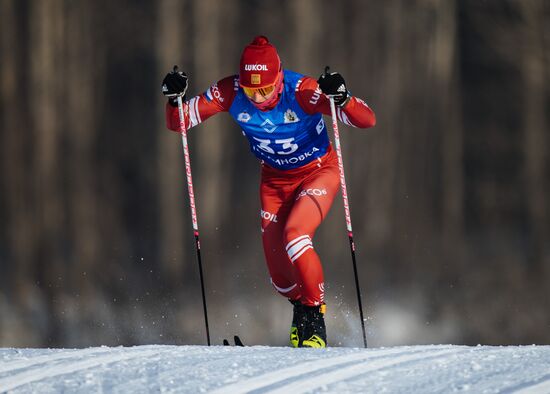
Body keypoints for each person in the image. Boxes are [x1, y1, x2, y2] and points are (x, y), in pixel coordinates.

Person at [162, 35, 376, 348]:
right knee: (281, 280)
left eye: (265, 88)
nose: (259, 97)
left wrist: (341, 98)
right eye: (251, 90)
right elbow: (179, 122)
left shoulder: (301, 90)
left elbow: (366, 120)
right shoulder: (229, 91)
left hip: (318, 172)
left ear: (278, 78)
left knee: (296, 236)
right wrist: (174, 99)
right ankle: (301, 308)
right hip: (275, 182)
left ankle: (315, 318)